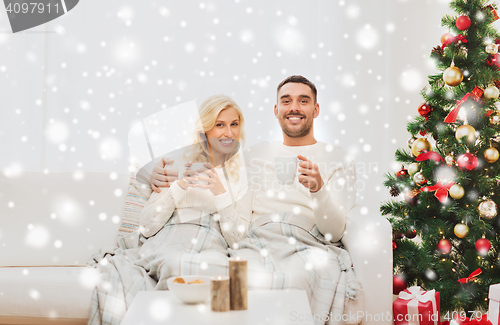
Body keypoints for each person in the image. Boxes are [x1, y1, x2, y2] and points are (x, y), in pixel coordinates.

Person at [151, 76, 360, 325]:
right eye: (286, 101)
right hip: (257, 240)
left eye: (303, 101)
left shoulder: (337, 158)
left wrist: (319, 189)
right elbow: (210, 163)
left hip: (309, 240)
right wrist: (154, 175)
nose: (294, 107)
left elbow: (334, 233)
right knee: (237, 281)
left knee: (297, 278)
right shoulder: (253, 155)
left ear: (315, 110)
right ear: (276, 110)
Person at [87, 94, 249, 325]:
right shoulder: (176, 164)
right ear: (204, 131)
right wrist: (180, 185)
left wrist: (221, 193)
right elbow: (147, 226)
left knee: (217, 269)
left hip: (212, 241)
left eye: (234, 125)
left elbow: (237, 238)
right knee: (174, 262)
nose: (228, 133)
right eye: (219, 125)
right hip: (171, 237)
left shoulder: (241, 175)